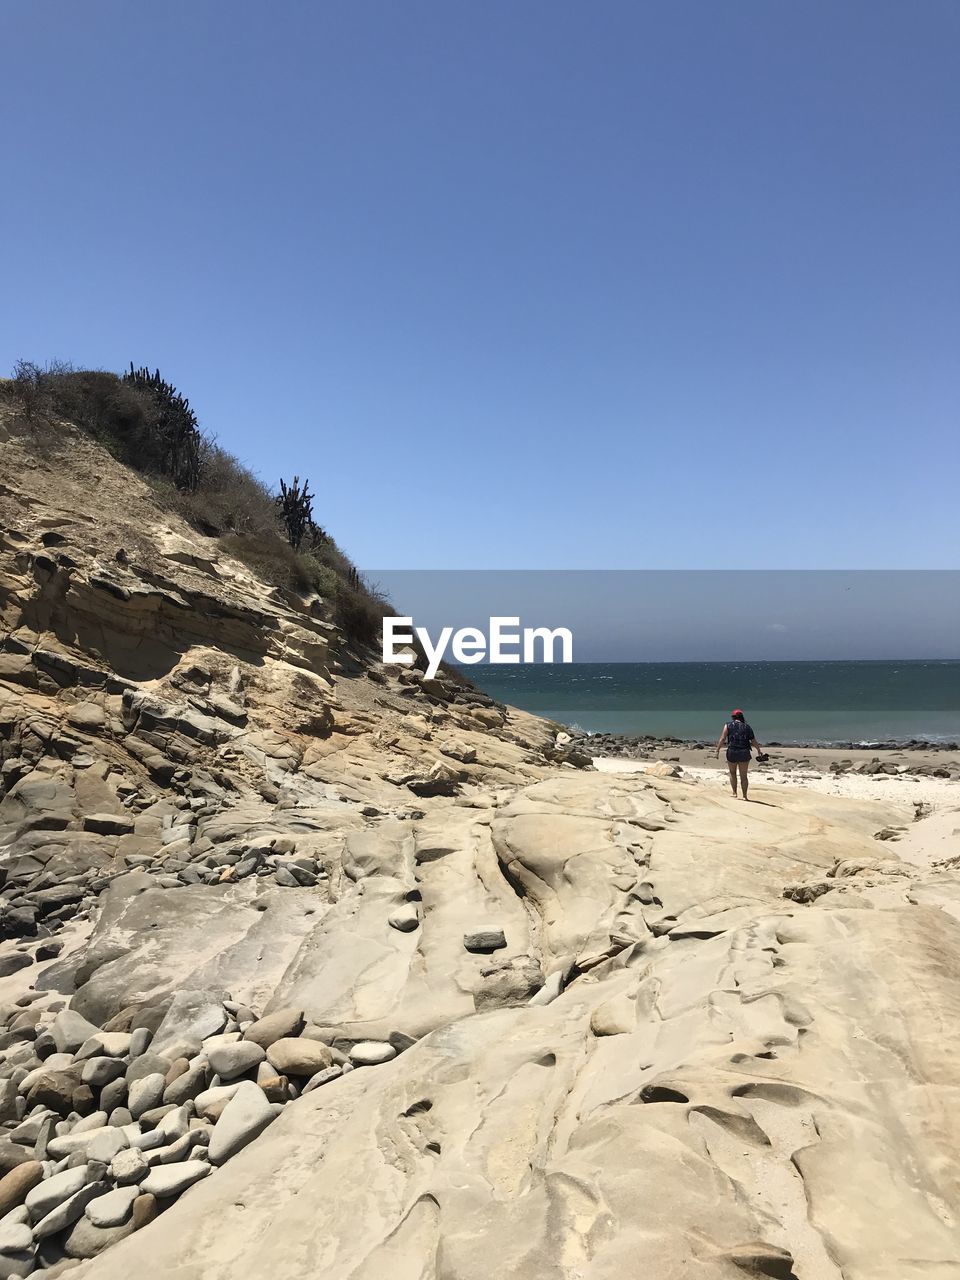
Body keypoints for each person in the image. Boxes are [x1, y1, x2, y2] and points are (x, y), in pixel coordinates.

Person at [715, 709, 762, 800]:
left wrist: (717, 750)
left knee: (732, 773)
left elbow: (723, 738)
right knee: (743, 776)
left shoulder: (728, 725)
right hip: (744, 752)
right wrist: (759, 750)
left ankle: (734, 793)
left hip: (732, 751)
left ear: (733, 717)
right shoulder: (747, 727)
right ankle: (744, 796)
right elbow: (753, 741)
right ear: (742, 717)